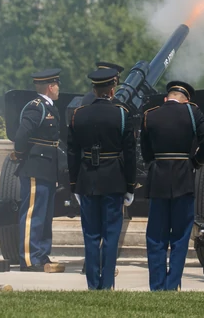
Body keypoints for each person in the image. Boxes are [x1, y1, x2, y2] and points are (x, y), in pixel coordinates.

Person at [140, 80, 204, 291]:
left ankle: (157, 285)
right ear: (186, 100)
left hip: (158, 180)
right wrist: (195, 162)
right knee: (180, 237)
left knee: (156, 236)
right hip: (184, 178)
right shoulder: (193, 113)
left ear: (166, 98)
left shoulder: (150, 115)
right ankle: (173, 285)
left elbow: (145, 149)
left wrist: (155, 163)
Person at [67, 68, 137, 290]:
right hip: (114, 180)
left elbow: (72, 153)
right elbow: (130, 154)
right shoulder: (122, 114)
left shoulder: (78, 114)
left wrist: (74, 184)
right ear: (112, 89)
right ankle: (107, 284)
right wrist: (130, 186)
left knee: (90, 234)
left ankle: (92, 283)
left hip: (87, 180)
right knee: (111, 234)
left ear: (94, 90)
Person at [12, 68, 65, 273]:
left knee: (44, 215)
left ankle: (41, 255)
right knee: (33, 214)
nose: (59, 88)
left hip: (47, 167)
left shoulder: (49, 107)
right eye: (57, 85)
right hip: (35, 166)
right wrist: (20, 154)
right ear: (50, 87)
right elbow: (21, 136)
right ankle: (29, 258)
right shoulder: (36, 107)